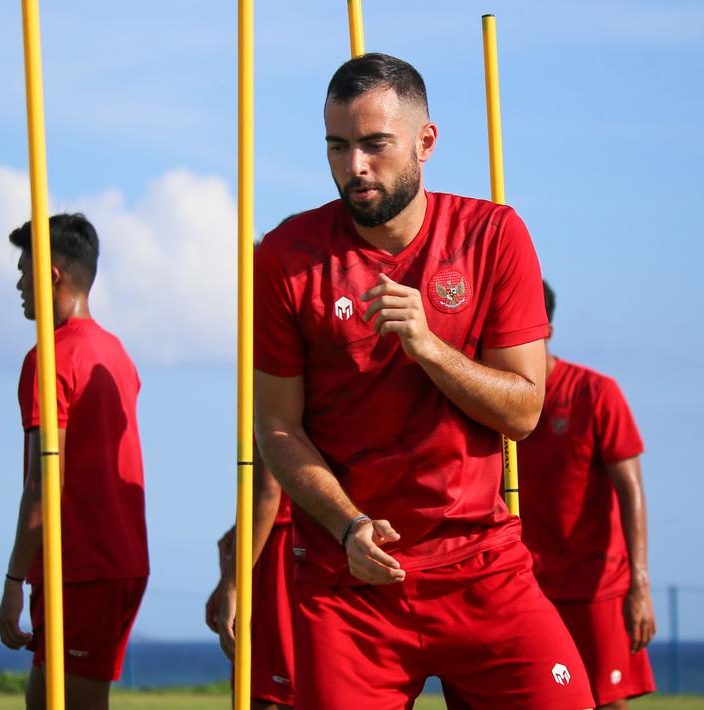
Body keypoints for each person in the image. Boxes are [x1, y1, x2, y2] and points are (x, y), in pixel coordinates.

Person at [252, 53, 595, 708]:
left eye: (374, 145)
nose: (354, 167)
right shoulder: (286, 257)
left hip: (481, 568)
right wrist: (347, 524)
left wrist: (428, 347)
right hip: (349, 581)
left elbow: (523, 411)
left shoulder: (493, 234)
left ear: (424, 142)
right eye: (337, 146)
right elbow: (276, 426)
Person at [0, 213, 149, 710]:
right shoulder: (114, 352)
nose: (19, 283)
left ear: (53, 273)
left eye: (24, 270)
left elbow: (44, 484)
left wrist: (14, 580)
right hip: (113, 560)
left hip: (83, 565)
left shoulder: (52, 357)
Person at [518, 280, 657, 709]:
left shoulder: (595, 393)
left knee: (605, 699)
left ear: (547, 331)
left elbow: (632, 492)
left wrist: (640, 585)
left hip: (595, 584)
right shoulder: (489, 398)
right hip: (525, 583)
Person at [204, 454, 296, 710]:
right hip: (310, 540)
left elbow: (268, 491)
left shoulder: (261, 412)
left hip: (279, 547)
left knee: (269, 692)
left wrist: (231, 585)